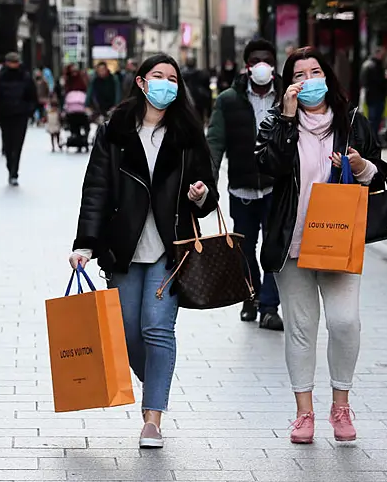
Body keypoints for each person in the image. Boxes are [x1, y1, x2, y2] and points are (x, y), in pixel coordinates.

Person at [69, 54, 218, 448]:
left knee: (156, 328)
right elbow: (96, 189)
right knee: (128, 332)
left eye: (173, 78)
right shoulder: (115, 130)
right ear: (140, 82)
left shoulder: (188, 132)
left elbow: (208, 188)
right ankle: (152, 375)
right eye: (158, 76)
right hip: (124, 247)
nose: (166, 83)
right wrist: (85, 244)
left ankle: (152, 418)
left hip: (171, 248)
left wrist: (200, 195)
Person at [256, 47, 387, 445]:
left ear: (327, 76)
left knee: (345, 322)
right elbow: (267, 166)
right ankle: (304, 413)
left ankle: (341, 403)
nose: (310, 79)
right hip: (292, 242)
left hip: (338, 239)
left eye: (316, 71)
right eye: (301, 74)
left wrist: (362, 166)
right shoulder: (278, 121)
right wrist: (287, 117)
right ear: (289, 83)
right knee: (300, 328)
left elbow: (378, 172)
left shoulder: (351, 122)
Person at [207, 38, 284, 330]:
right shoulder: (229, 99)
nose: (261, 65)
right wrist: (209, 183)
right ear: (247, 66)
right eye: (255, 61)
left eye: (266, 59)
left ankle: (269, 306)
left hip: (276, 188)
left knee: (273, 248)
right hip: (241, 187)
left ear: (273, 64)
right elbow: (214, 143)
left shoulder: (286, 95)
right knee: (244, 248)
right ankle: (249, 296)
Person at [0, 52, 37, 187]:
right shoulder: (1, 78)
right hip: (5, 115)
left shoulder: (25, 76)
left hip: (20, 115)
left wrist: (29, 110)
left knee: (17, 145)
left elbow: (32, 96)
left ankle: (14, 172)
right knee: (8, 144)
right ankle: (10, 166)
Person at [360, 47, 387, 137]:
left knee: (374, 120)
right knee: (374, 120)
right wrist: (386, 80)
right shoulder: (374, 66)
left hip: (373, 97)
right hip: (375, 96)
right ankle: (372, 139)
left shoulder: (369, 65)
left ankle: (372, 139)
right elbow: (376, 81)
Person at [182, 57, 212, 125]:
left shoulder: (182, 76)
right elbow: (207, 93)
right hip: (199, 103)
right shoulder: (202, 74)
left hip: (187, 103)